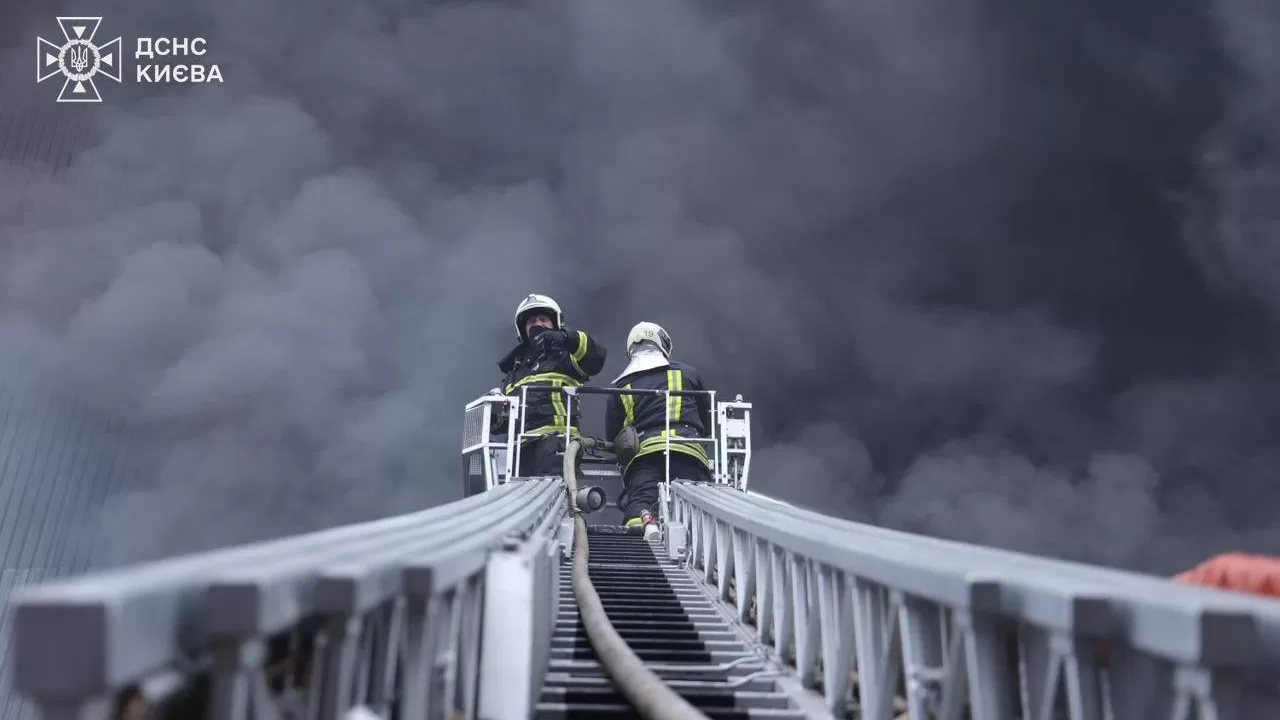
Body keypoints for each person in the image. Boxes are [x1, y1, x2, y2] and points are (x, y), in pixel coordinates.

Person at [605, 321, 713, 538]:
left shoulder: (620, 385)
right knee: (699, 506)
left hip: (644, 456)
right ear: (662, 344)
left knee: (641, 500)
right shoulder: (688, 374)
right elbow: (706, 422)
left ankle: (642, 531)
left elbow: (613, 436)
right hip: (689, 451)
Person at [495, 293, 607, 476]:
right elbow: (504, 422)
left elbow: (595, 358)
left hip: (557, 443)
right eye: (531, 321)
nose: (537, 324)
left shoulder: (567, 358)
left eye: (543, 319)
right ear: (522, 330)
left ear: (555, 323)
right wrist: (493, 415)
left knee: (553, 493)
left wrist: (566, 339)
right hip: (519, 450)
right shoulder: (515, 372)